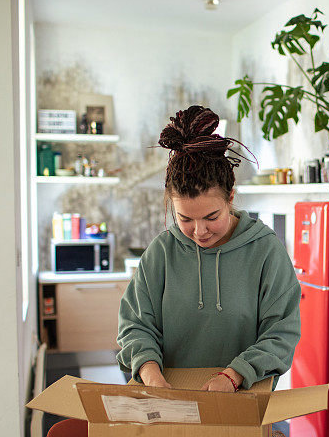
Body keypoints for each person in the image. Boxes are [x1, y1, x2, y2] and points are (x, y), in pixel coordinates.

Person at [116, 105, 300, 392]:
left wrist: (233, 376)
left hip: (242, 399)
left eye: (211, 217)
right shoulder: (162, 252)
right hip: (169, 402)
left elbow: (281, 333)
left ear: (230, 197)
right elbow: (135, 326)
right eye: (185, 219)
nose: (199, 232)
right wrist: (152, 377)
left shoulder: (266, 252)